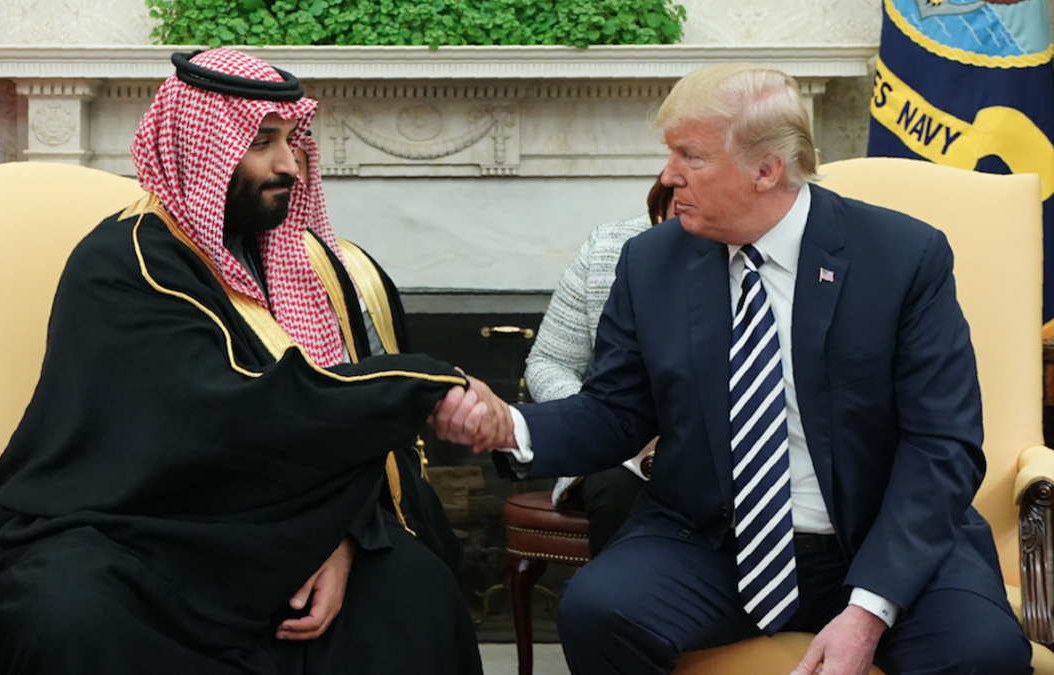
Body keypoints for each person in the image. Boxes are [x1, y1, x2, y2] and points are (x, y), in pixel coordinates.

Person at [432, 62, 1031, 675]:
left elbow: (942, 445)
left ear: (767, 169)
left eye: (690, 156)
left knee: (982, 653)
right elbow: (616, 411)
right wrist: (511, 426)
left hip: (885, 539)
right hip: (718, 543)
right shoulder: (651, 262)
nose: (669, 176)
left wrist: (869, 610)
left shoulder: (903, 257)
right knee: (599, 609)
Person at [0, 48, 485, 675]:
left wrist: (343, 538)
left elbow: (374, 451)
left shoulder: (326, 271)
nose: (288, 164)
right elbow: (226, 417)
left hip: (294, 531)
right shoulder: (122, 267)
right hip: (133, 534)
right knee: (66, 618)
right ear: (199, 149)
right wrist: (415, 387)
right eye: (262, 142)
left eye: (293, 140)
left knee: (412, 593)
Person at [525, 180, 674, 556]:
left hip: (722, 447)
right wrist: (600, 422)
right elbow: (548, 362)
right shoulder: (608, 247)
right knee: (618, 490)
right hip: (618, 454)